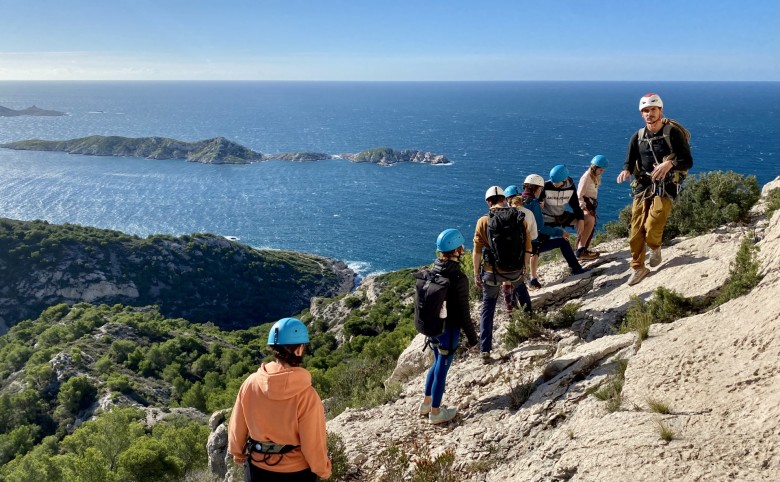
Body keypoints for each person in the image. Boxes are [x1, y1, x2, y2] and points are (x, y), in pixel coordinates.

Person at [228, 317, 331, 481]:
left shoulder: (250, 383)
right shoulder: (306, 395)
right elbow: (313, 442)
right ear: (299, 350)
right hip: (296, 472)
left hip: (256, 468)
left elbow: (237, 424)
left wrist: (237, 452)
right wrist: (322, 469)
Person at [617, 93, 693, 286]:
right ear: (641, 114)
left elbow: (688, 160)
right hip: (643, 185)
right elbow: (630, 159)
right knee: (635, 229)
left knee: (653, 223)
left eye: (652, 110)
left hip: (667, 184)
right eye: (645, 111)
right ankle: (638, 267)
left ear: (660, 110)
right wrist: (626, 171)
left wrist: (670, 164)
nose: (649, 114)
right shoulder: (638, 136)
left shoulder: (672, 133)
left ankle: (655, 247)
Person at [419, 228, 479, 424]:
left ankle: (426, 403)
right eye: (461, 247)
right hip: (448, 330)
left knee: (436, 364)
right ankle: (436, 413)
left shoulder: (434, 269)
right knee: (442, 369)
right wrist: (473, 339)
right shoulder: (459, 278)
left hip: (434, 329)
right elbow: (464, 313)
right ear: (457, 250)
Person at [473, 186, 533, 363]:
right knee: (522, 292)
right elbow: (527, 247)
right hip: (515, 270)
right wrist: (525, 269)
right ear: (504, 199)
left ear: (487, 202)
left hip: (492, 273)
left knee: (488, 307)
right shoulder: (518, 217)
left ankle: (485, 351)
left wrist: (476, 273)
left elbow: (476, 251)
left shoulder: (483, 221)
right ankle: (531, 327)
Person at [521, 174, 589, 290]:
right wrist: (560, 232)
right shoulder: (534, 204)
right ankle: (576, 269)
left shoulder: (517, 201)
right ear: (537, 189)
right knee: (563, 242)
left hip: (518, 244)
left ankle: (532, 280)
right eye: (540, 189)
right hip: (531, 243)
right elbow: (540, 228)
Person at [502, 185, 538, 311]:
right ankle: (526, 312)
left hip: (507, 252)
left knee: (506, 281)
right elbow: (534, 235)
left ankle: (510, 308)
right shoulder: (529, 213)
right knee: (519, 280)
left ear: (507, 200)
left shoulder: (503, 215)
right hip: (524, 251)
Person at [540, 164, 585, 255]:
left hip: (561, 217)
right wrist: (540, 201)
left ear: (564, 180)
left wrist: (581, 219)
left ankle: (581, 249)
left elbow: (575, 205)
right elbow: (538, 201)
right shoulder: (546, 186)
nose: (554, 184)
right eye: (553, 181)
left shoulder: (571, 187)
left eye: (557, 182)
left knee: (588, 220)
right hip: (547, 219)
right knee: (540, 244)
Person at [575, 155, 609, 260]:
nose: (602, 172)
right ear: (594, 167)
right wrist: (584, 208)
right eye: (601, 169)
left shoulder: (594, 176)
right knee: (588, 223)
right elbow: (579, 195)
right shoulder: (587, 177)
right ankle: (580, 250)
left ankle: (582, 249)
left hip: (590, 203)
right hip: (585, 203)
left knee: (590, 226)